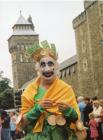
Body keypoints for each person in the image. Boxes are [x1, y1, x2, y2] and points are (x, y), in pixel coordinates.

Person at [16, 40, 80, 140]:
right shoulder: (29, 91)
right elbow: (23, 123)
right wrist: (37, 109)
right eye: (43, 65)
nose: (47, 69)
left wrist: (68, 111)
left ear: (56, 66)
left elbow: (76, 119)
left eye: (50, 64)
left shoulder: (66, 89)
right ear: (38, 68)